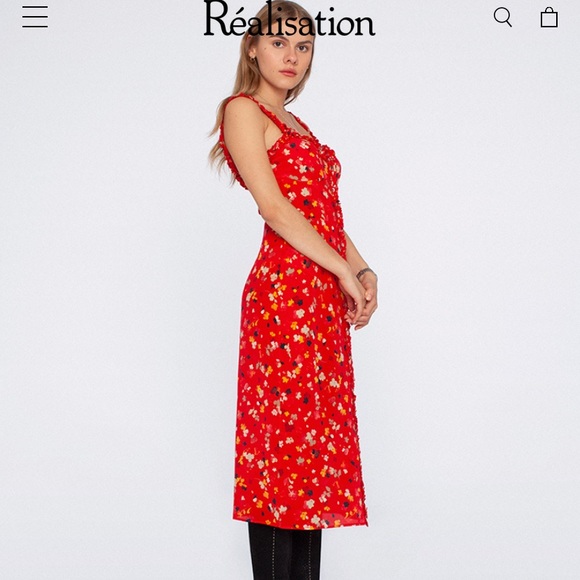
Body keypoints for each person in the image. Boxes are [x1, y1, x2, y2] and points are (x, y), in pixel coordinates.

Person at [209, 2, 378, 577]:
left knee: (311, 460)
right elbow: (276, 209)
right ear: (252, 47)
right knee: (280, 456)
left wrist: (362, 270)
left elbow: (321, 214)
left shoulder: (300, 126)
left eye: (303, 46)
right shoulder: (242, 109)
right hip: (284, 298)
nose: (292, 56)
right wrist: (341, 272)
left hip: (321, 302)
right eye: (279, 42)